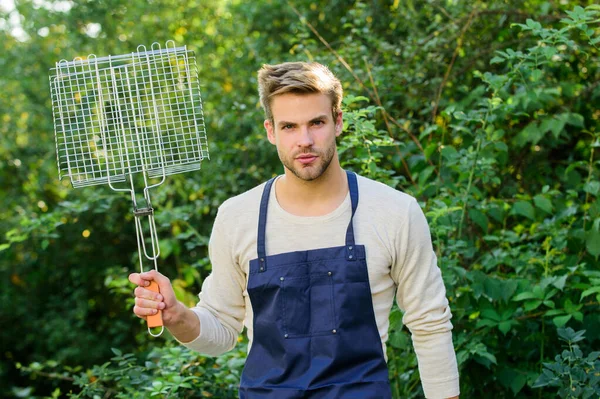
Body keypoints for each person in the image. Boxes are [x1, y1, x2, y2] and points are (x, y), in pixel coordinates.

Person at [129, 61, 460, 399]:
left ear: (338, 122)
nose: (305, 141)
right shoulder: (237, 217)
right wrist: (176, 315)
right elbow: (222, 329)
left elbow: (430, 325)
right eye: (289, 127)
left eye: (316, 123)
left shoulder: (393, 212)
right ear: (270, 131)